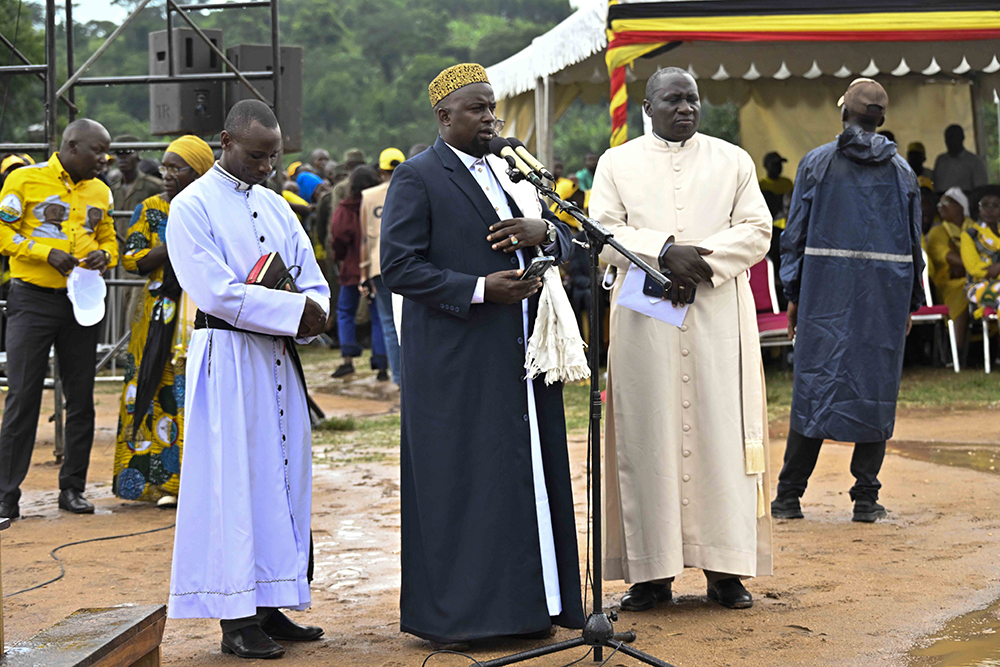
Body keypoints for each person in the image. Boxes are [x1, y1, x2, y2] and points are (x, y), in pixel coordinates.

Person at [380, 63, 584, 646]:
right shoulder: (419, 176)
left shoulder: (512, 170)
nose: (491, 118)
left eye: (493, 107)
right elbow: (397, 266)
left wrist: (542, 233)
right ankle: (467, 616)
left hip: (522, 354)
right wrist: (477, 289)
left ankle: (532, 605)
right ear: (445, 117)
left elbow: (567, 235)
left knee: (524, 476)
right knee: (470, 481)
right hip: (458, 355)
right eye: (478, 108)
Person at [589, 66, 772, 613]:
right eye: (673, 100)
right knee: (649, 438)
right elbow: (601, 231)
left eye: (692, 100)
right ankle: (650, 574)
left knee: (721, 434)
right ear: (647, 106)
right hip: (646, 321)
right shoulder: (616, 162)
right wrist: (663, 251)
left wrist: (700, 261)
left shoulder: (732, 159)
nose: (686, 108)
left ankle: (726, 569)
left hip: (718, 316)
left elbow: (757, 229)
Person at [165, 99, 330, 660]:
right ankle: (235, 618)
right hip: (228, 356)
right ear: (225, 142)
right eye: (257, 156)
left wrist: (313, 311)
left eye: (274, 156)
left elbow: (311, 274)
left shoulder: (278, 206)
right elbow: (213, 291)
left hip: (277, 357)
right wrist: (289, 311)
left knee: (281, 478)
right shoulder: (191, 205)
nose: (267, 167)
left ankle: (271, 601)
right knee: (234, 481)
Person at [774, 78, 923, 524]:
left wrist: (793, 295)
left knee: (815, 386)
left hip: (825, 296)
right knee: (875, 388)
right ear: (882, 119)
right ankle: (865, 497)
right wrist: (910, 304)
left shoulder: (817, 163)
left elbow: (793, 235)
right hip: (884, 298)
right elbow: (915, 246)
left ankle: (788, 497)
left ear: (845, 114)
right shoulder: (904, 173)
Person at [0, 118, 118, 519]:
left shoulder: (101, 190)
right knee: (23, 397)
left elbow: (107, 237)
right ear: (71, 146)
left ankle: (73, 489)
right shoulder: (25, 180)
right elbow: (3, 232)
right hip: (32, 300)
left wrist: (107, 256)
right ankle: (6, 495)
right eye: (97, 151)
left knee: (81, 398)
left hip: (80, 302)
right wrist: (43, 252)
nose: (105, 159)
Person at [112, 136, 214, 507]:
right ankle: (158, 484)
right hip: (156, 316)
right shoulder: (151, 208)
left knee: (192, 392)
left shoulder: (213, 209)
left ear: (199, 172)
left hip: (201, 311)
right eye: (166, 167)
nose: (167, 174)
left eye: (177, 168)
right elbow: (131, 260)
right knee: (154, 390)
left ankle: (194, 483)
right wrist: (175, 245)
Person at [330, 165, 389, 380]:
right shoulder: (379, 205)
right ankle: (381, 365)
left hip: (351, 269)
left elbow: (337, 237)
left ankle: (348, 359)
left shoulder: (345, 209)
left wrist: (340, 255)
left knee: (346, 312)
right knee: (378, 316)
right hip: (375, 267)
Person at [358, 147, 405, 385]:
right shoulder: (411, 190)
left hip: (379, 265)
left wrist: (363, 274)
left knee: (388, 323)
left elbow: (366, 238)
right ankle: (410, 377)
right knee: (410, 323)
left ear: (380, 170)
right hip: (410, 263)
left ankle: (397, 378)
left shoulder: (369, 196)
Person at [926, 186, 973, 349]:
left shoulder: (976, 229)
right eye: (939, 204)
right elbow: (950, 258)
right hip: (946, 285)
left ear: (960, 206)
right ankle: (956, 352)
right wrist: (975, 265)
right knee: (963, 289)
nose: (941, 206)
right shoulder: (936, 232)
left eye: (947, 202)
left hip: (977, 278)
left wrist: (969, 266)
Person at [109, 135, 163, 234]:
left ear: (137, 155)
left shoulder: (154, 186)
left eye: (128, 153)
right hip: (118, 246)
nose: (123, 158)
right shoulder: (113, 189)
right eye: (118, 153)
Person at [961, 186, 1000, 316]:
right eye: (985, 204)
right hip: (979, 286)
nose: (990, 209)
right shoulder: (969, 235)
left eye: (995, 205)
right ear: (978, 208)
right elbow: (974, 268)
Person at [933, 124, 988, 194]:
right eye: (948, 138)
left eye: (954, 137)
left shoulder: (974, 161)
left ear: (962, 138)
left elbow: (980, 189)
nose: (951, 141)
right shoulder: (941, 160)